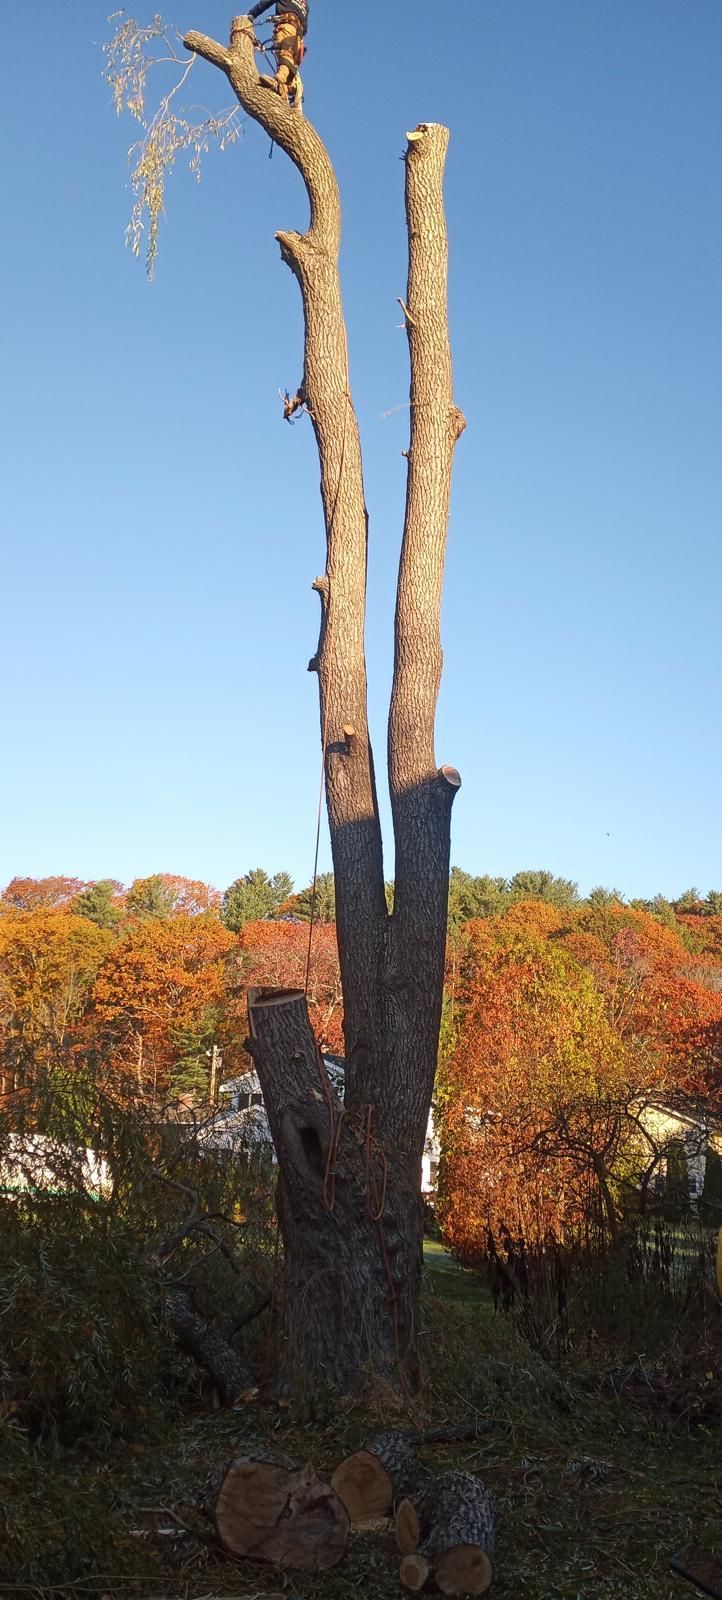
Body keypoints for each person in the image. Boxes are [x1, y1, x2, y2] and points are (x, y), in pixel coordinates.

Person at [248, 0, 309, 104]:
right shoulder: (305, 4)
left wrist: (251, 14)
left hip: (287, 25)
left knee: (285, 54)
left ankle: (278, 81)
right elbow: (305, 27)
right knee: (289, 60)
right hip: (298, 34)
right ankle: (283, 93)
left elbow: (265, 2)